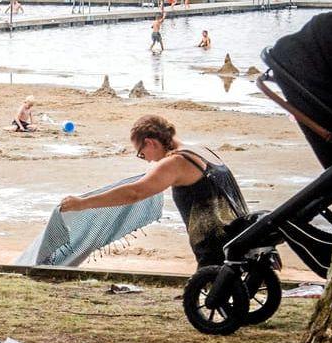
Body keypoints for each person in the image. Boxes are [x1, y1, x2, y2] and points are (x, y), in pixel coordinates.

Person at [60, 115, 249, 268]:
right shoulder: (200, 150)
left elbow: (134, 193)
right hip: (238, 229)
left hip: (216, 241)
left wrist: (83, 203)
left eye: (141, 154)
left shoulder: (175, 162)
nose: (148, 160)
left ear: (150, 143)